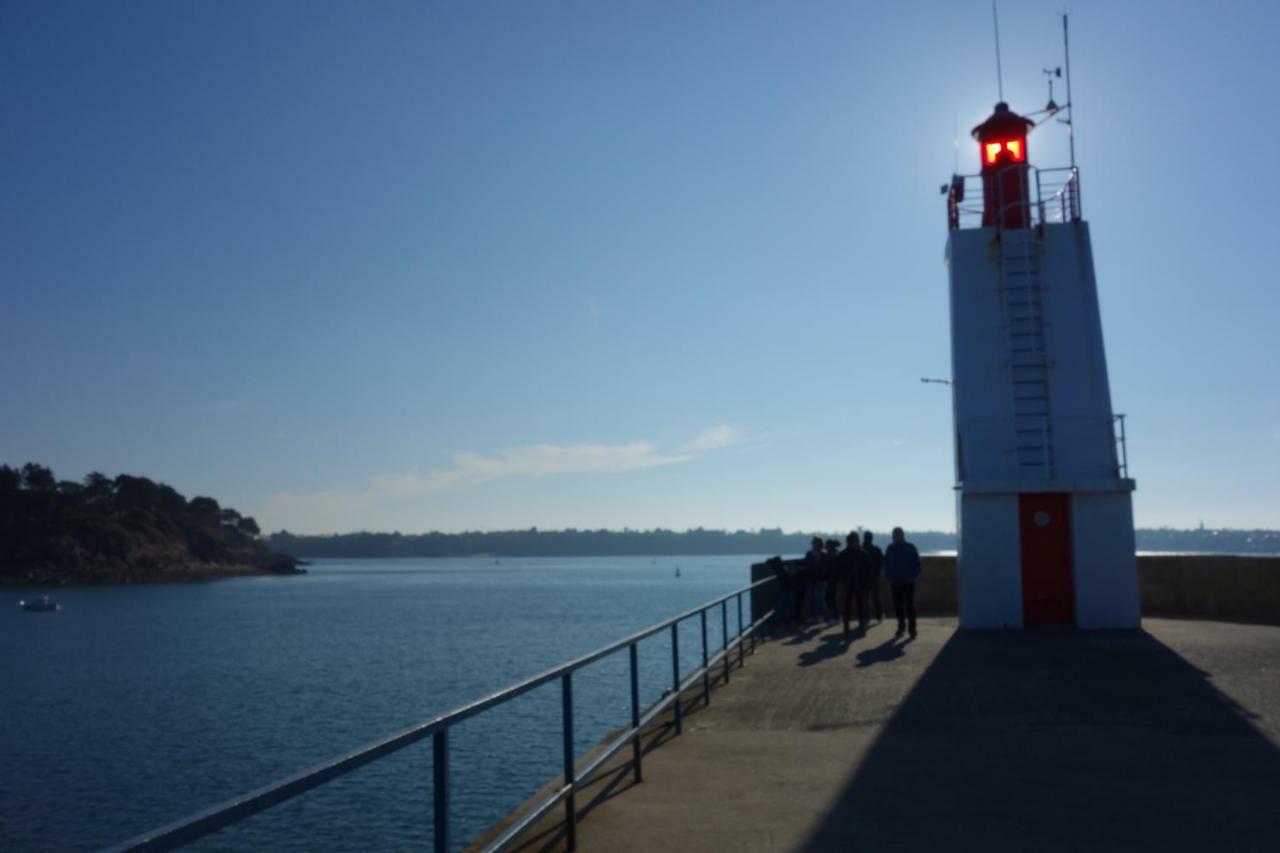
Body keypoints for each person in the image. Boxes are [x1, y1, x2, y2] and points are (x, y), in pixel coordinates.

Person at [884, 526, 921, 638]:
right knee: (898, 606)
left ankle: (912, 628)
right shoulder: (890, 548)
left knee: (909, 605)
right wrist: (889, 576)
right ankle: (901, 627)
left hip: (908, 581)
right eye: (893, 535)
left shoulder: (910, 548)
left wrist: (913, 576)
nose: (894, 537)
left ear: (901, 535)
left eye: (896, 535)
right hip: (895, 582)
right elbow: (887, 564)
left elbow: (917, 564)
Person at [840, 532, 867, 638]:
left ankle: (847, 626)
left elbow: (840, 570)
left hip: (848, 583)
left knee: (847, 606)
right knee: (860, 606)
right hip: (858, 583)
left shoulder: (843, 554)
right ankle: (861, 626)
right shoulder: (863, 553)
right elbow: (867, 570)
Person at [861, 531, 885, 623]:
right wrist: (881, 575)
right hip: (874, 577)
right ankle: (878, 615)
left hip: (864, 578)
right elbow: (881, 563)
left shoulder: (861, 549)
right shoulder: (876, 549)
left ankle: (867, 617)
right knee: (875, 597)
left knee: (866, 598)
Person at [799, 536, 823, 623]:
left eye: (814, 542)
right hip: (817, 578)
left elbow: (806, 564)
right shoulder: (822, 553)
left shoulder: (811, 553)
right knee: (815, 598)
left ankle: (816, 616)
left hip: (814, 578)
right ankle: (817, 616)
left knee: (815, 598)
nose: (813, 544)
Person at [822, 539, 841, 621]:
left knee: (829, 598)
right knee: (830, 598)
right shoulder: (834, 554)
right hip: (832, 579)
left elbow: (831, 568)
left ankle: (836, 616)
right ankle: (835, 615)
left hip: (833, 580)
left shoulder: (833, 555)